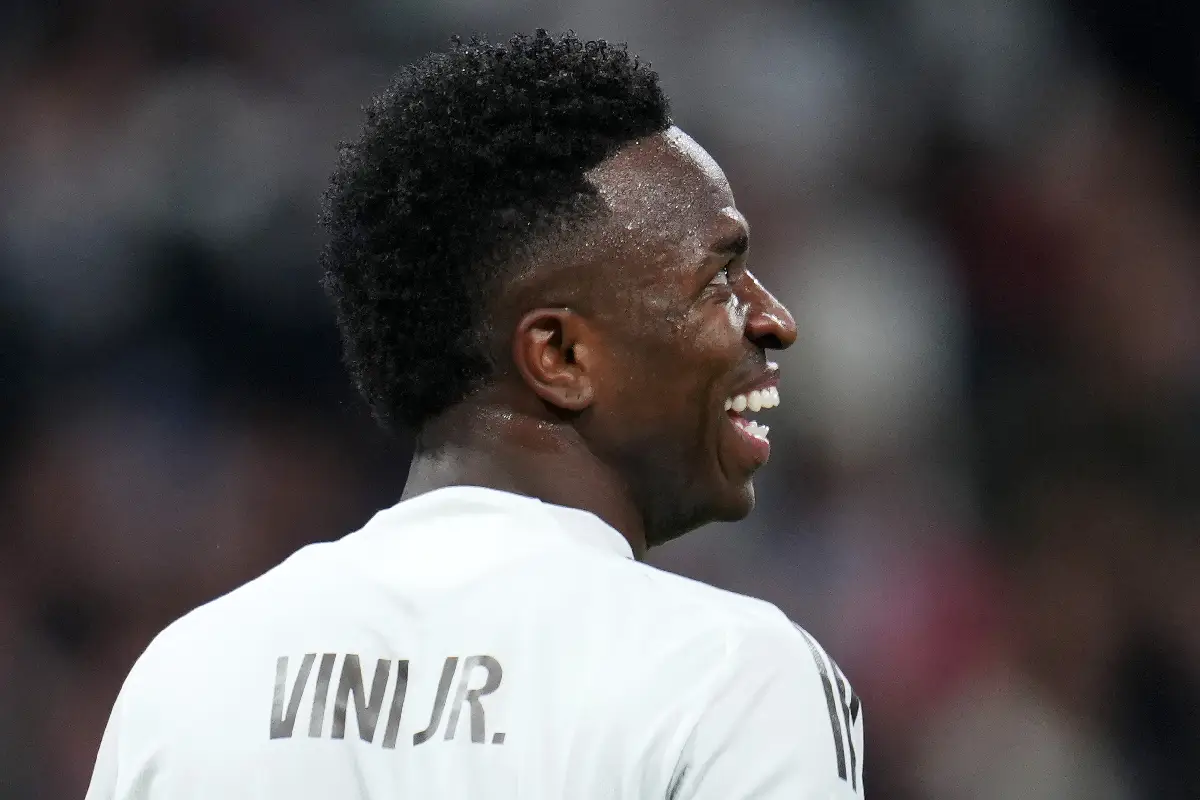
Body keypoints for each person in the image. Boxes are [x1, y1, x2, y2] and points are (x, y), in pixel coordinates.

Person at [86, 30, 864, 799]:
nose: (775, 319)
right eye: (720, 279)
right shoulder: (730, 676)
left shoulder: (187, 677)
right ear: (559, 355)